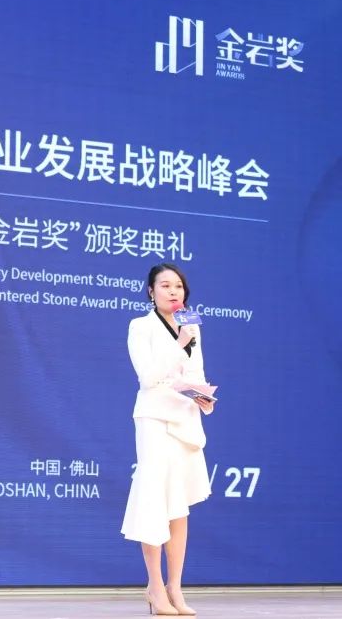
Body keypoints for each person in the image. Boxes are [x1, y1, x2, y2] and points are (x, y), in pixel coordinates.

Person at [120, 263, 215, 616]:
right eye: (165, 285)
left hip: (185, 416)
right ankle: (155, 587)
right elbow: (148, 377)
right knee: (154, 499)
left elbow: (195, 371)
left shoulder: (192, 325)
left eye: (178, 286)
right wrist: (178, 344)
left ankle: (175, 586)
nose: (174, 291)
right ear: (151, 291)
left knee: (179, 504)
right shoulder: (140, 326)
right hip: (155, 417)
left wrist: (202, 396)